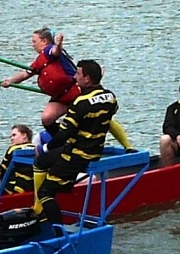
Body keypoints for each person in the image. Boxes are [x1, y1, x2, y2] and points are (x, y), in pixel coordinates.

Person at [0, 28, 136, 153]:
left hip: (74, 91)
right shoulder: (39, 60)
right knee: (47, 119)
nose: (32, 44)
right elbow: (25, 74)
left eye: (34, 41)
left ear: (44, 41)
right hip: (61, 96)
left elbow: (55, 51)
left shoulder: (49, 50)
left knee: (104, 116)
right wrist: (10, 81)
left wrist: (58, 45)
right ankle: (66, 143)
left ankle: (127, 146)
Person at [32, 59, 118, 224]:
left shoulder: (80, 102)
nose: (74, 76)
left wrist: (45, 147)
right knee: (41, 162)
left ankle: (57, 230)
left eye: (78, 73)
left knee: (45, 192)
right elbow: (110, 115)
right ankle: (43, 206)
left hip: (77, 155)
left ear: (87, 79)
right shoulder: (110, 97)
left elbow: (64, 134)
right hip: (95, 150)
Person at [0, 124, 36, 194]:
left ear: (24, 135)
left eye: (14, 135)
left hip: (16, 188)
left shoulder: (13, 149)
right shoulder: (36, 148)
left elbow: (3, 170)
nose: (11, 138)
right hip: (34, 187)